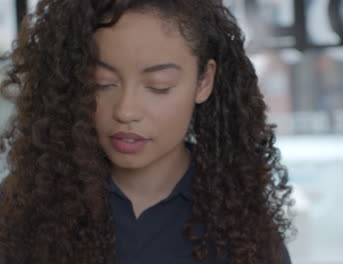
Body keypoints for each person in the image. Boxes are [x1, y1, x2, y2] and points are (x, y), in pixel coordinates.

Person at [0, 0, 293, 263]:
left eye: (158, 86)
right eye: (102, 83)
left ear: (204, 81)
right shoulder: (24, 208)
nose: (126, 111)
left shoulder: (242, 223)